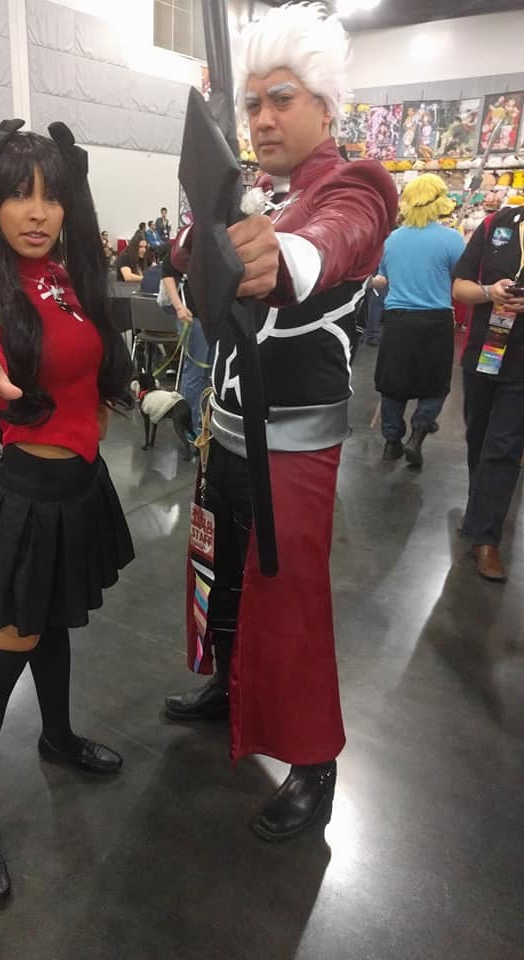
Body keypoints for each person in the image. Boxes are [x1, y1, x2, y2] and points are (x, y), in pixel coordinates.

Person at [163, 3, 397, 841]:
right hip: (224, 429)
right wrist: (210, 218)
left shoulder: (353, 186)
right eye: (253, 102)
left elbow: (332, 240)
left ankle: (313, 762)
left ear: (324, 109)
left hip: (294, 445)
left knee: (291, 602)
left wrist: (277, 252)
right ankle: (226, 685)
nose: (263, 118)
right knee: (220, 573)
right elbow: (189, 254)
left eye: (283, 99)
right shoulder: (258, 191)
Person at [0, 119, 134, 906]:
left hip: (78, 488)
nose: (38, 211)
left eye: (50, 195)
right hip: (29, 500)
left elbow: (82, 364)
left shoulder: (64, 277)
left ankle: (58, 737)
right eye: (17, 195)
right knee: (1, 662)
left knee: (55, 622)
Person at [452, 202, 524, 582]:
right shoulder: (497, 224)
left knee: (504, 447)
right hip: (487, 350)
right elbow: (459, 286)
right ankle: (478, 509)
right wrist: (489, 291)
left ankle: (486, 539)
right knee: (478, 439)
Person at [373, 174, 465, 465]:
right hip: (435, 320)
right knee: (435, 384)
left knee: (393, 384)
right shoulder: (452, 239)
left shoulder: (392, 240)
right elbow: (462, 278)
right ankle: (418, 433)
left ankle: (391, 441)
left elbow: (384, 277)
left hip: (398, 320)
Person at [160, 245, 213, 436]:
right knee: (196, 372)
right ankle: (190, 426)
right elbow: (168, 272)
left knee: (208, 374)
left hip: (214, 317)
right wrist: (179, 307)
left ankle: (201, 422)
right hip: (193, 317)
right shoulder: (187, 242)